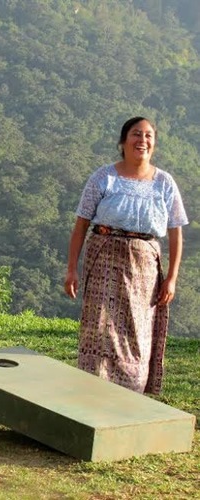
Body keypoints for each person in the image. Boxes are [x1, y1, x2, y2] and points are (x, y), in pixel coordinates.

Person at [64, 116, 188, 395]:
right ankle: (91, 393)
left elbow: (176, 233)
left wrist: (171, 278)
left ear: (154, 144)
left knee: (137, 333)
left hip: (144, 267)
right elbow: (81, 224)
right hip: (103, 258)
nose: (142, 141)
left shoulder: (165, 183)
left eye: (148, 136)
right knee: (99, 328)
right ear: (123, 142)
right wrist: (72, 269)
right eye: (136, 134)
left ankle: (130, 397)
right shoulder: (103, 177)